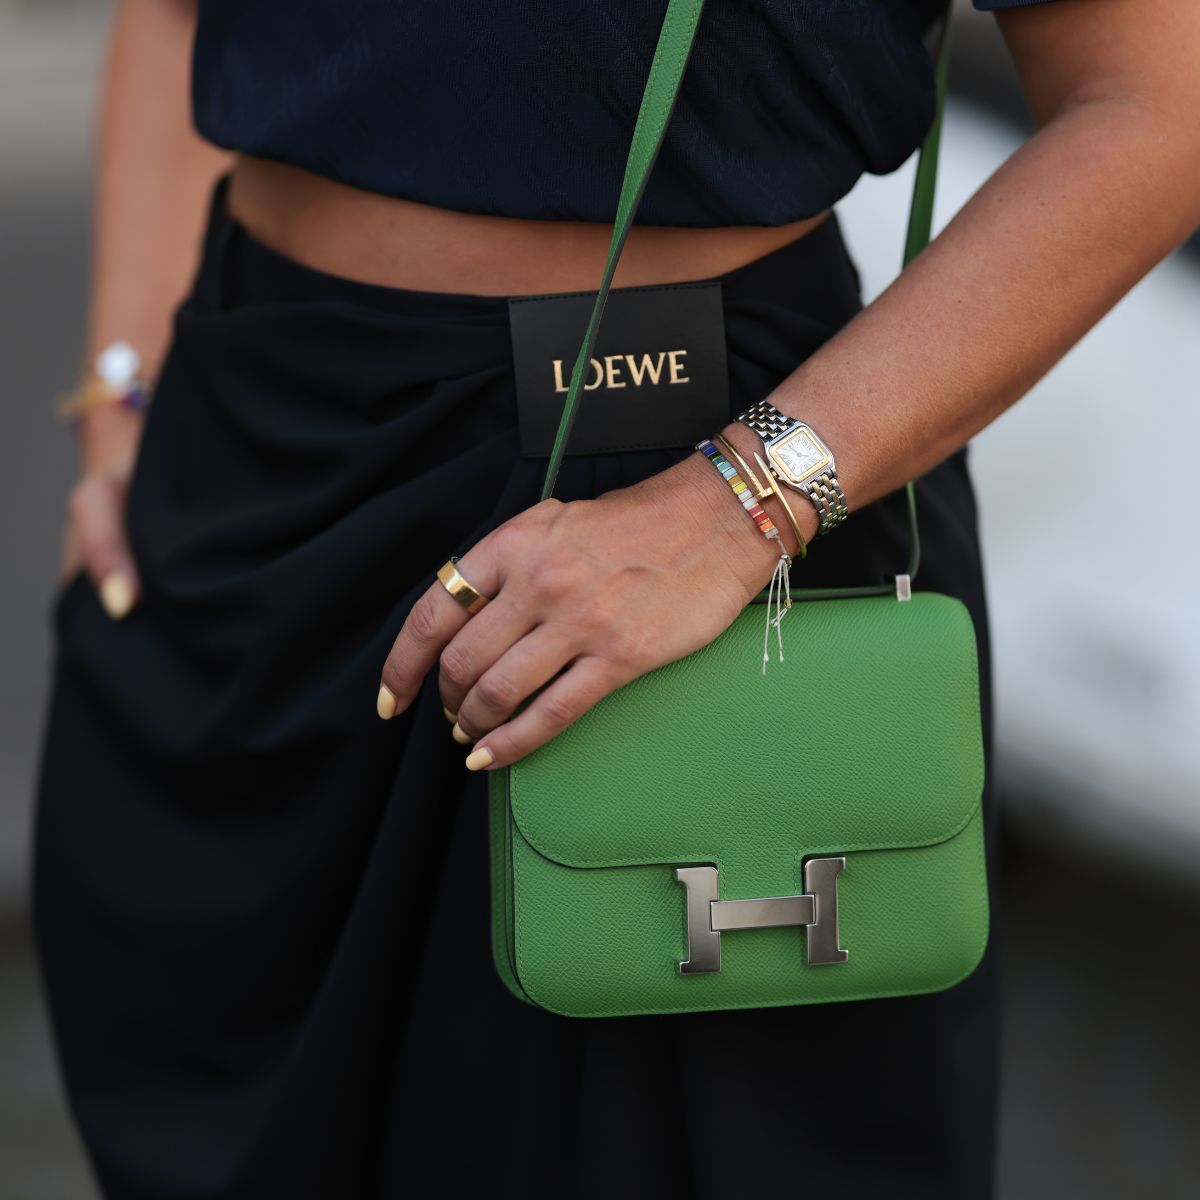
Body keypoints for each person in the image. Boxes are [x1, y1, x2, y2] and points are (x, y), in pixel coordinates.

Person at [32, 0, 1200, 1197]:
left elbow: (1158, 102)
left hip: (695, 520)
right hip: (255, 496)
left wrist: (734, 508)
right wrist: (121, 398)